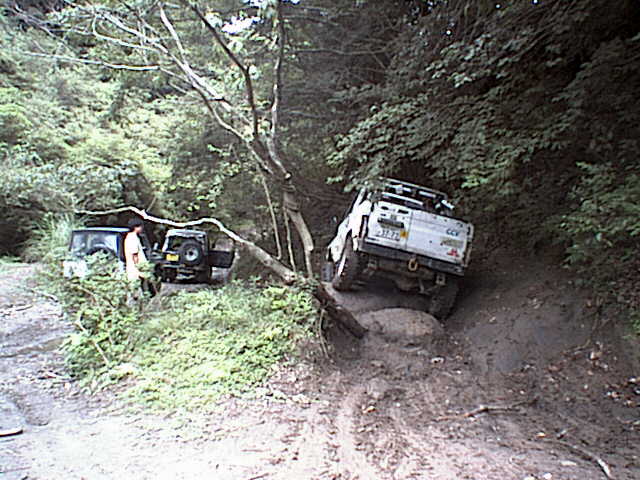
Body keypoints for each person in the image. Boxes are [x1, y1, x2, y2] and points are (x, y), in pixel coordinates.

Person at [124, 218, 147, 282]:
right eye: (141, 226)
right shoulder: (132, 238)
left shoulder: (132, 236)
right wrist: (139, 267)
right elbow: (135, 254)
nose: (142, 228)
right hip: (134, 269)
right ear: (135, 227)